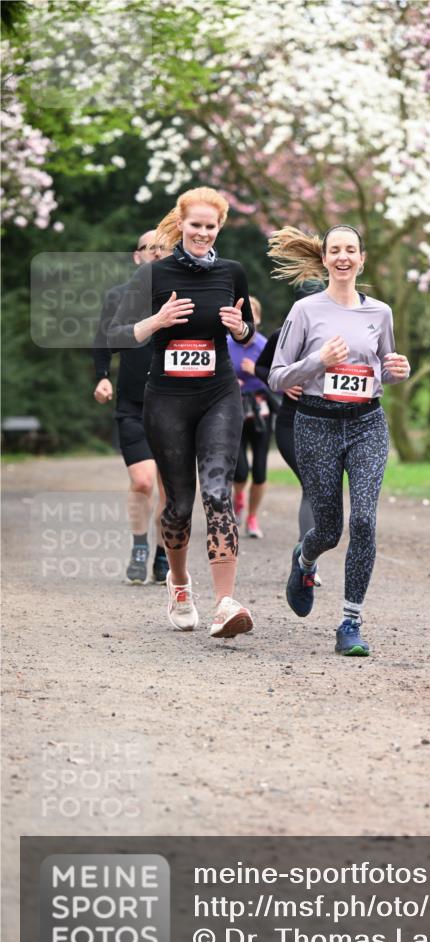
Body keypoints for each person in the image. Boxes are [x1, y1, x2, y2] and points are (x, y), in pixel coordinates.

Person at [108, 187, 256, 638]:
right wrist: (156, 321)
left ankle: (225, 603)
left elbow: (248, 333)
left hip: (218, 394)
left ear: (219, 228)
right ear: (181, 224)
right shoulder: (152, 274)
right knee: (178, 504)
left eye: (211, 226)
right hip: (167, 399)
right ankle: (178, 585)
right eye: (196, 225)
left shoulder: (232, 272)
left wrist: (241, 329)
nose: (203, 233)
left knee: (217, 491)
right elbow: (116, 333)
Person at [267, 224, 410, 656]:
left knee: (363, 521)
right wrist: (318, 359)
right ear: (325, 258)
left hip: (367, 424)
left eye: (351, 250)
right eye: (335, 250)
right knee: (328, 530)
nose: (343, 257)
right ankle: (304, 560)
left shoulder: (380, 313)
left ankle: (350, 622)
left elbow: (382, 370)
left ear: (362, 260)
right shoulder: (304, 311)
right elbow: (277, 376)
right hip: (316, 424)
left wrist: (397, 371)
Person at [91, 230, 168, 584]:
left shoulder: (183, 296)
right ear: (137, 256)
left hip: (176, 404)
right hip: (133, 402)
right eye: (149, 248)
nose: (156, 253)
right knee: (142, 481)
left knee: (171, 489)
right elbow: (103, 340)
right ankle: (140, 546)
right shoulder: (119, 296)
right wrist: (102, 377)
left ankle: (164, 552)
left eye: (163, 248)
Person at [252, 281, 323, 546]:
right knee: (312, 484)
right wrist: (284, 383)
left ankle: (308, 553)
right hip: (291, 422)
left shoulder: (338, 336)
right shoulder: (282, 335)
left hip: (326, 423)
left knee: (319, 488)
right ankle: (305, 556)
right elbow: (261, 368)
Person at [228, 296, 270, 539]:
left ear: (259, 319)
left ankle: (252, 518)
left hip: (260, 410)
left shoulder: (265, 345)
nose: (249, 318)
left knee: (260, 470)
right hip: (234, 410)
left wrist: (255, 371)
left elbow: (278, 379)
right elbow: (214, 372)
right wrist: (230, 380)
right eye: (245, 314)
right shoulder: (225, 344)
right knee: (241, 470)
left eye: (253, 314)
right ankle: (238, 499)